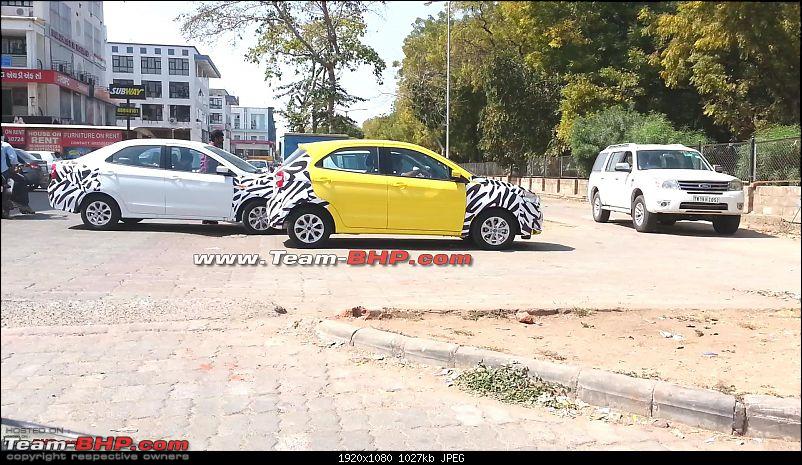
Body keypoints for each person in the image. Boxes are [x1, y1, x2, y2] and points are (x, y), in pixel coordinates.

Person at [203, 129, 226, 225]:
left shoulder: (213, 148)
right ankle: (208, 218)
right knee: (210, 198)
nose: (223, 140)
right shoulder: (212, 149)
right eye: (221, 138)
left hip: (211, 176)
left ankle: (209, 218)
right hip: (210, 177)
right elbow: (207, 165)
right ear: (216, 138)